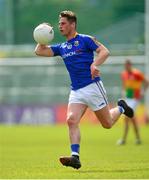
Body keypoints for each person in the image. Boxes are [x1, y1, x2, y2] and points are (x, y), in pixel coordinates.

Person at [35, 10, 134, 169]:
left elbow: (104, 51)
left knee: (107, 123)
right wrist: (41, 36)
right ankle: (75, 157)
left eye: (63, 23)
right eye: (59, 23)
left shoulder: (85, 40)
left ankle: (121, 107)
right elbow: (39, 51)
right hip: (77, 91)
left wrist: (94, 64)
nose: (60, 26)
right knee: (71, 120)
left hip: (92, 87)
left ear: (72, 24)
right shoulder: (61, 47)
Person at [117, 59, 149, 145]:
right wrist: (123, 92)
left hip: (135, 99)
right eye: (125, 65)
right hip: (128, 98)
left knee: (127, 117)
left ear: (130, 65)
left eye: (127, 65)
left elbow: (147, 81)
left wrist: (143, 91)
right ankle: (137, 139)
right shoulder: (124, 74)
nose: (126, 67)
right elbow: (125, 84)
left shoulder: (137, 73)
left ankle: (124, 139)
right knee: (131, 118)